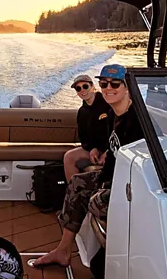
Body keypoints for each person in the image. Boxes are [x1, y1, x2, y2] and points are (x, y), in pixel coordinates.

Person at [34, 64, 144, 268]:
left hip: (131, 184)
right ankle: (63, 250)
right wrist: (99, 153)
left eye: (115, 84)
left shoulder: (138, 119)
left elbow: (139, 163)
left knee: (95, 201)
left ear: (127, 87)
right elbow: (111, 148)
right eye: (104, 83)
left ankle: (116, 257)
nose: (108, 88)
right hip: (113, 176)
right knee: (77, 183)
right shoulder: (112, 115)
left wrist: (106, 182)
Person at [63, 74, 110, 181]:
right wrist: (93, 149)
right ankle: (73, 194)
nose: (82, 91)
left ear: (93, 86)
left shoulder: (107, 104)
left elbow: (116, 131)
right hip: (96, 149)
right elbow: (83, 137)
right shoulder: (82, 112)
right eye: (78, 89)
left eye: (85, 86)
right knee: (69, 156)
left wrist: (107, 151)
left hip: (111, 148)